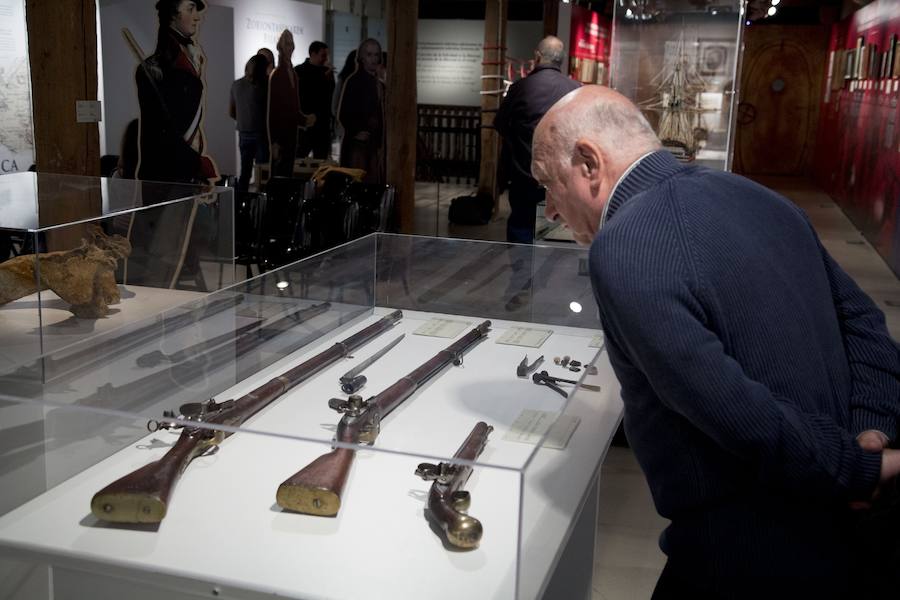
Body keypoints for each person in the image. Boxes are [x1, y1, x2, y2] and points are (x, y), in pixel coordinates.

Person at [531, 85, 900, 599]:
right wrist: (871, 431)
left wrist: (860, 468)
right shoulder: (761, 197)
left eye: (549, 183)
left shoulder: (624, 247)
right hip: (840, 536)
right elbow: (864, 324)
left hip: (743, 559)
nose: (549, 208)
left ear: (589, 162)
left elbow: (740, 414)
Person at [494, 35, 579, 243]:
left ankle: (521, 273)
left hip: (524, 172)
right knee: (556, 230)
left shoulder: (520, 88)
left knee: (521, 226)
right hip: (561, 177)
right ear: (562, 59)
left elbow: (500, 125)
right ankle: (547, 272)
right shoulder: (576, 90)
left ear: (538, 56)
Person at [135, 0, 218, 184]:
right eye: (190, 9)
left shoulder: (187, 59)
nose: (197, 17)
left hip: (184, 169)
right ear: (172, 14)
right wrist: (196, 163)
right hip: (165, 173)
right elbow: (162, 133)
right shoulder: (153, 69)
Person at [267, 30, 314, 178]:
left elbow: (293, 107)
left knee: (287, 172)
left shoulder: (292, 73)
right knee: (279, 173)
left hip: (291, 133)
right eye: (286, 43)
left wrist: (304, 119)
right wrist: (274, 141)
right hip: (281, 135)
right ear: (280, 47)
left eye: (291, 43)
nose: (290, 47)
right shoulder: (278, 74)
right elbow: (273, 110)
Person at [337, 39, 384, 184]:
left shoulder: (377, 83)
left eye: (376, 55)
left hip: (372, 143)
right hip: (358, 145)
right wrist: (357, 130)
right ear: (362, 57)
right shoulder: (354, 81)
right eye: (369, 55)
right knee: (358, 186)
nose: (373, 59)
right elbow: (343, 113)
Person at [229, 54, 269, 191]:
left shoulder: (236, 85)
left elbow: (231, 113)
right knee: (262, 174)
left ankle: (241, 206)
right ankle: (261, 207)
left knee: (245, 173)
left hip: (243, 133)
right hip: (261, 134)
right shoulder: (265, 87)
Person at [295, 41, 335, 160]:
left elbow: (331, 96)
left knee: (321, 163)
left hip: (322, 127)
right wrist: (323, 78)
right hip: (304, 127)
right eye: (323, 55)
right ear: (313, 53)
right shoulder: (299, 71)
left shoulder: (326, 72)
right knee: (299, 161)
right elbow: (305, 94)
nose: (326, 59)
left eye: (327, 55)